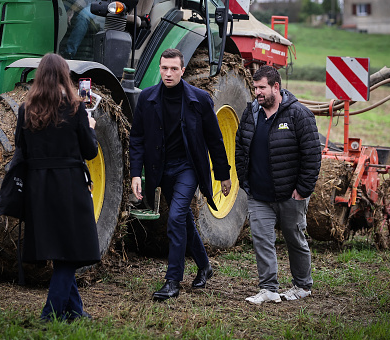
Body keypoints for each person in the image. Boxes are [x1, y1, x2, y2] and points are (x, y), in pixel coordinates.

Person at [129, 48, 232, 301]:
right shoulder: (148, 98)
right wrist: (135, 174)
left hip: (188, 168)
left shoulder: (200, 99)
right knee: (183, 219)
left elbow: (215, 140)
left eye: (174, 68)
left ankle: (173, 281)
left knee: (174, 218)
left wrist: (223, 174)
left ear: (182, 70)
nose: (168, 73)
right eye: (164, 68)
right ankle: (205, 266)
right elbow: (137, 139)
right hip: (161, 170)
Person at [14, 53, 100, 321]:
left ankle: (75, 312)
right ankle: (49, 314)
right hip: (69, 184)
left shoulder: (25, 109)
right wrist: (91, 126)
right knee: (72, 252)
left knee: (60, 249)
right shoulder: (75, 109)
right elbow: (90, 151)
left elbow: (21, 148)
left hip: (38, 187)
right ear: (65, 75)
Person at [235, 65, 321, 304]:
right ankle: (269, 289)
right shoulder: (251, 113)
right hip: (259, 194)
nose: (257, 92)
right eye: (255, 87)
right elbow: (240, 146)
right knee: (262, 240)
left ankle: (302, 286)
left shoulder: (298, 114)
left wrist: (303, 190)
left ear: (276, 87)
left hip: (290, 195)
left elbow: (312, 155)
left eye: (262, 87)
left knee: (295, 238)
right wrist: (245, 181)